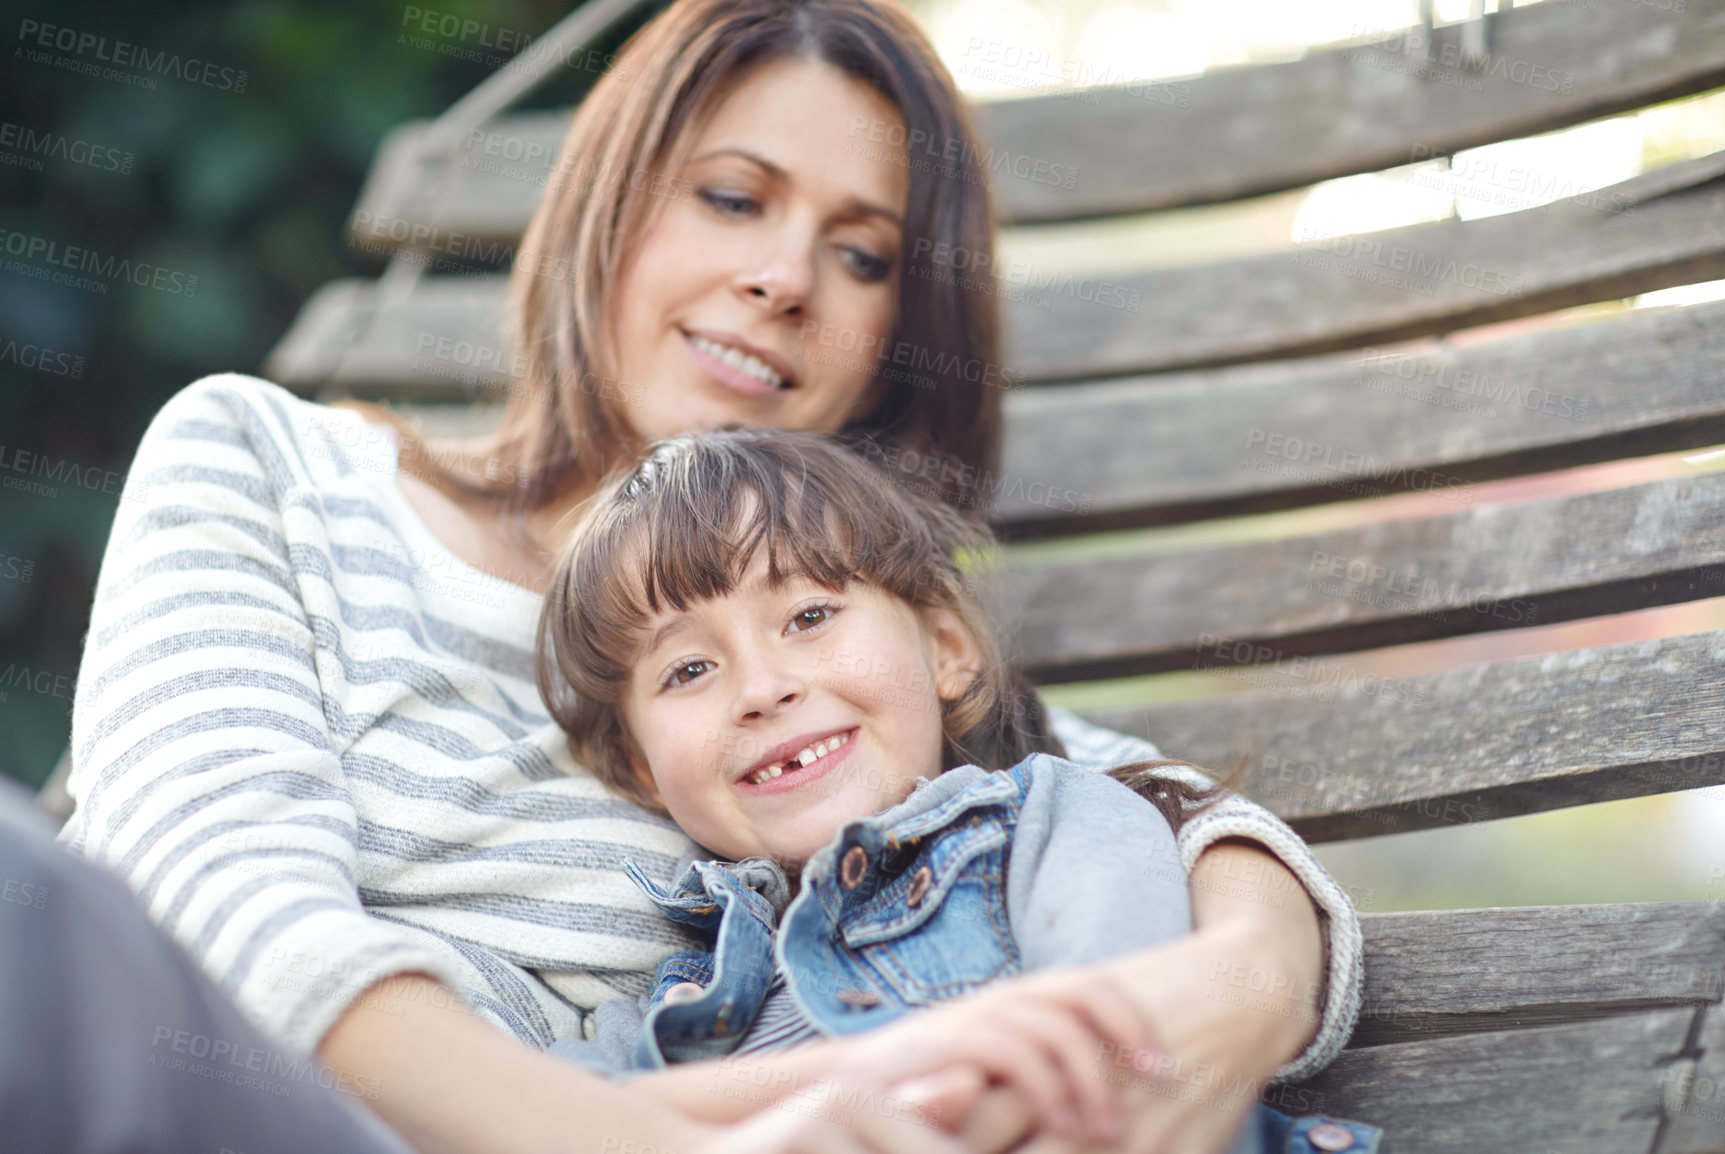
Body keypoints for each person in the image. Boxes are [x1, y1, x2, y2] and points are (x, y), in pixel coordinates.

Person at [59, 0, 1363, 1150]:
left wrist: (1249, 978)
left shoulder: (841, 687)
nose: (783, 277)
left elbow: (1162, 813)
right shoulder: (272, 463)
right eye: (734, 197)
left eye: (862, 256)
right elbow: (208, 911)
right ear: (611, 203)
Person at [530, 428, 1382, 1154]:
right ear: (644, 771)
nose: (761, 686)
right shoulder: (682, 999)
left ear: (945, 649)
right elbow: (526, 1118)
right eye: (688, 669)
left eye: (810, 617)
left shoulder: (1055, 821)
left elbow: (1115, 1047)